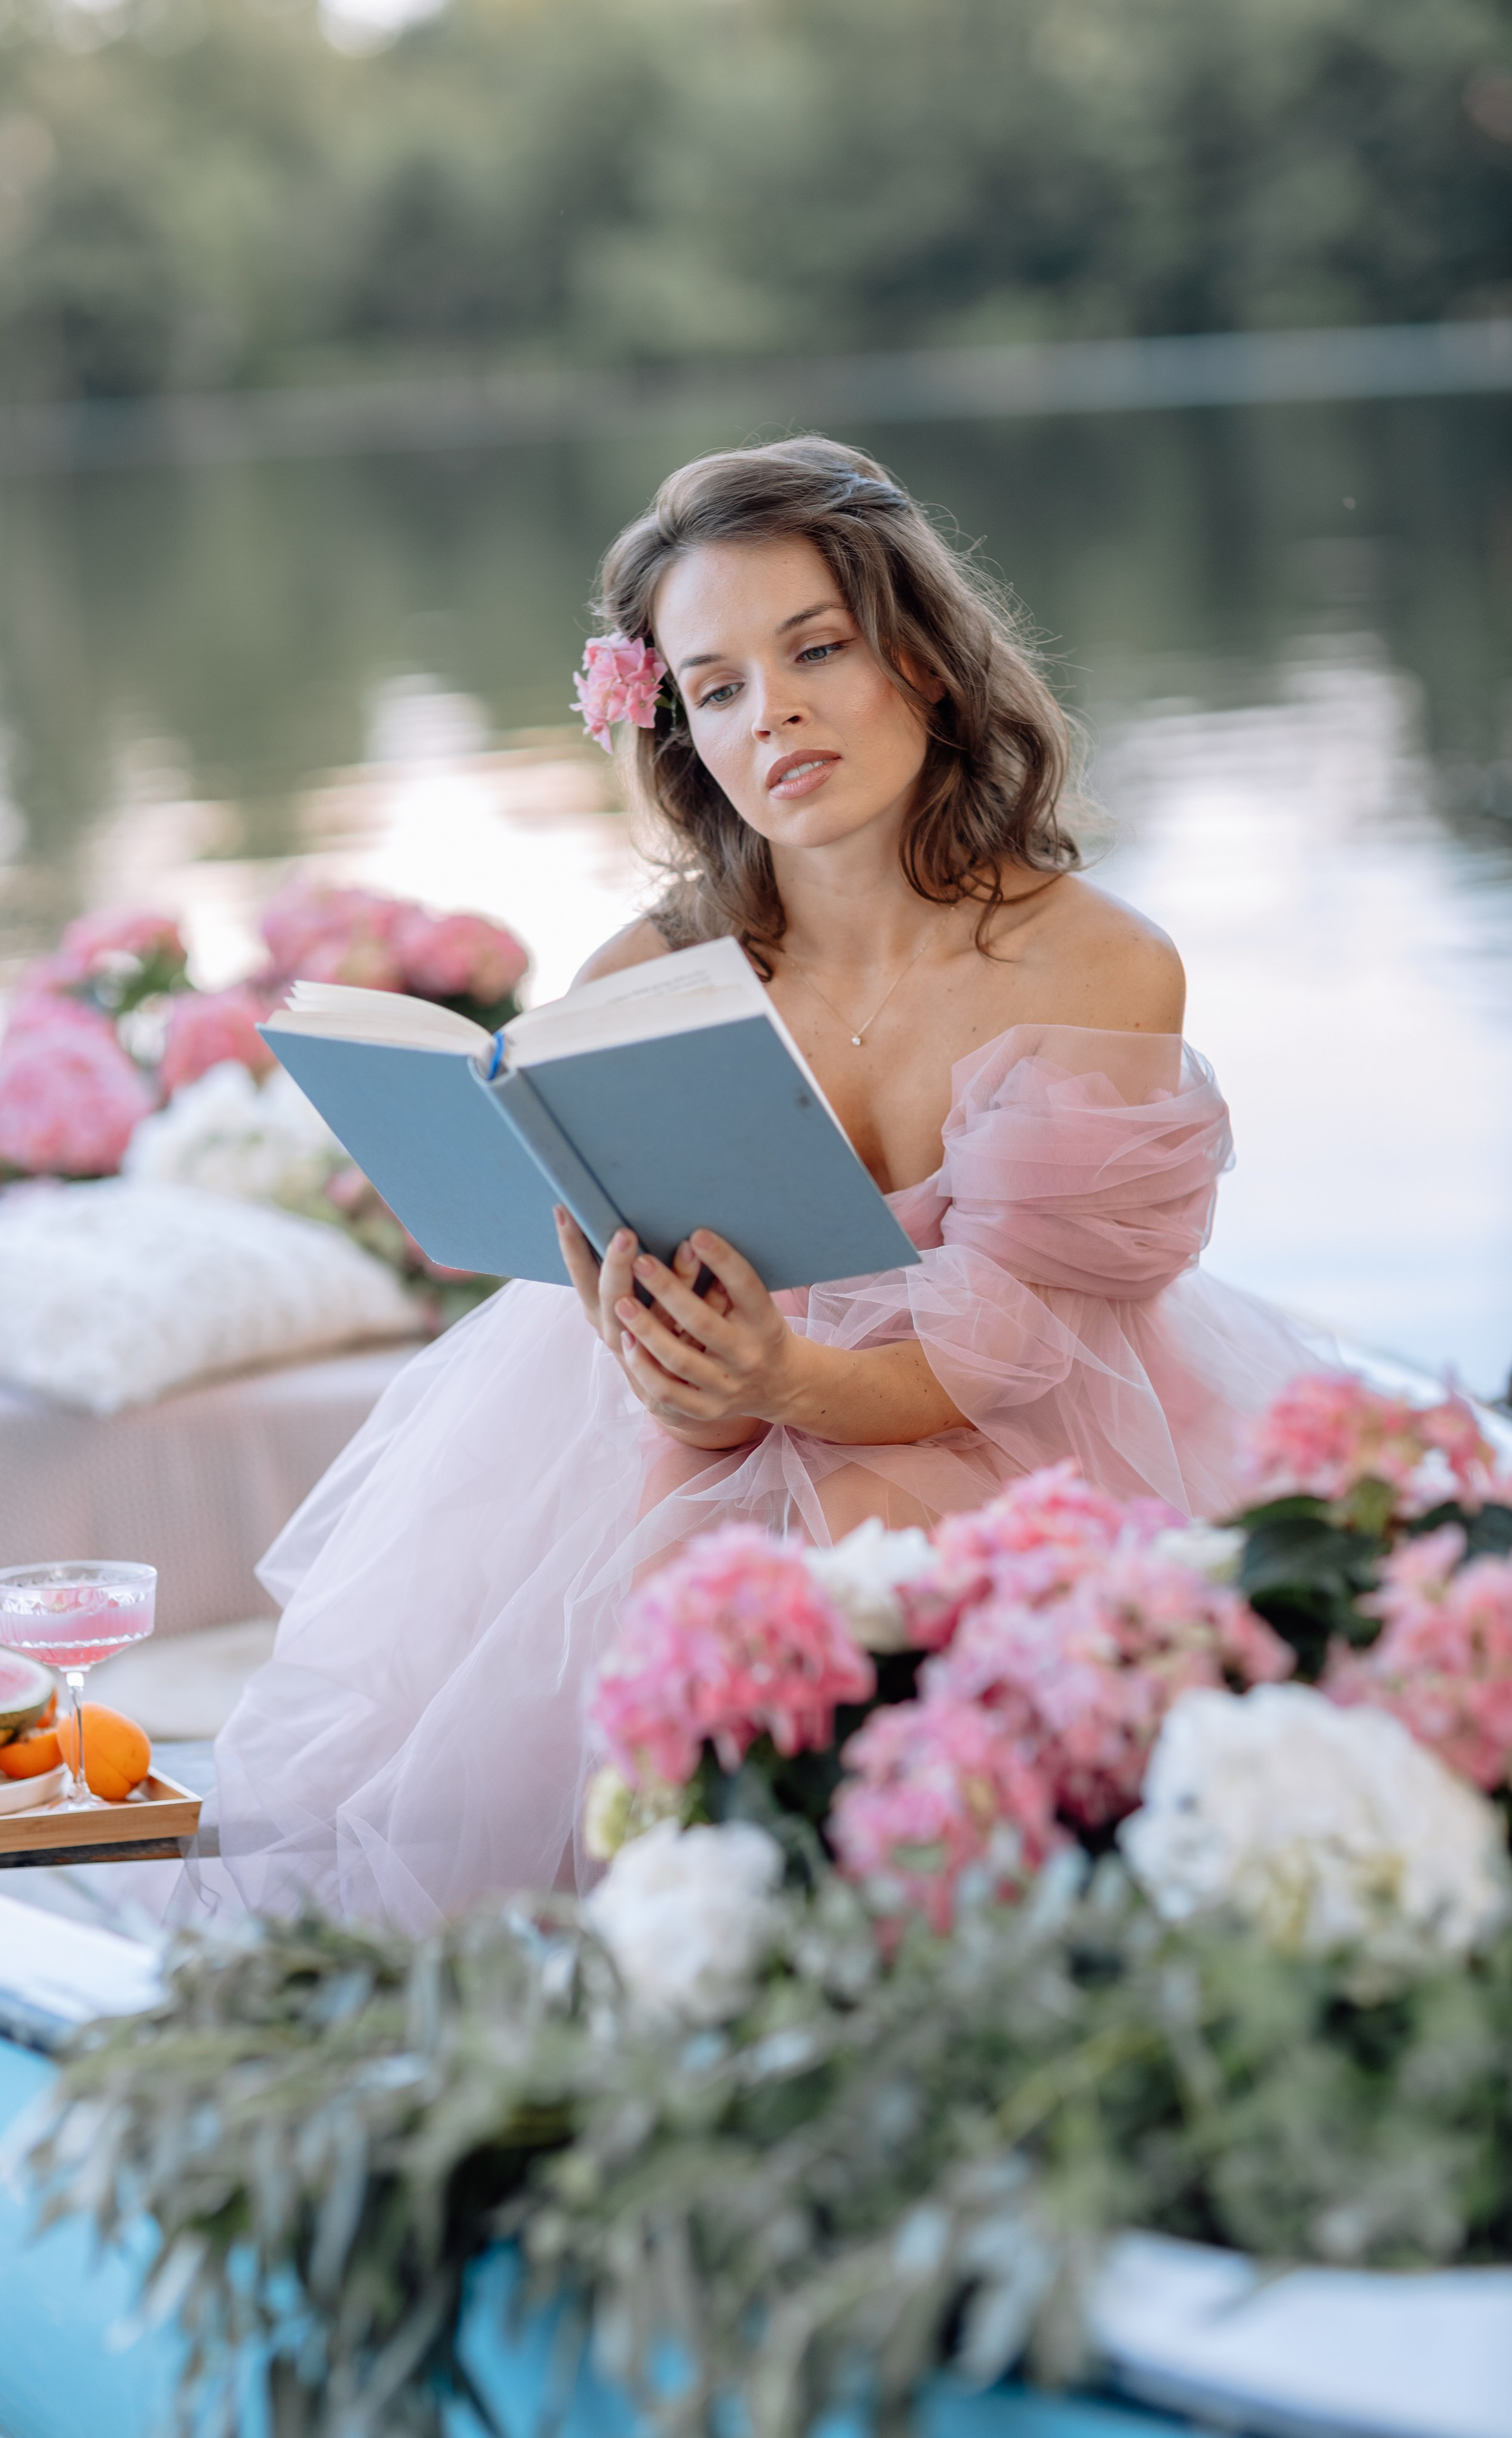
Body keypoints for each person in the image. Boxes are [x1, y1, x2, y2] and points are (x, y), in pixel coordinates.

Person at [206, 436, 1316, 1934]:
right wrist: (679, 1368)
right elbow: (665, 1354)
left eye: (815, 650)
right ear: (679, 728)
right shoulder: (641, 983)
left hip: (1020, 1422)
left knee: (872, 1545)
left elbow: (1010, 1344)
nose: (773, 711)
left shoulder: (1101, 965)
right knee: (631, 1655)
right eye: (717, 685)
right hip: (701, 1432)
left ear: (919, 658)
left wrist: (789, 1370)